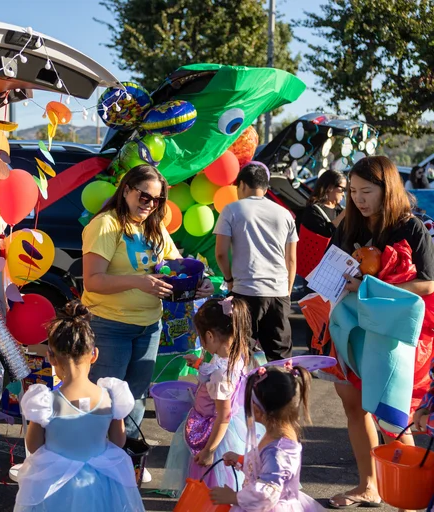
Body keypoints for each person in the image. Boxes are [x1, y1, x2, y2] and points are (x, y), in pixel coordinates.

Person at [82, 164, 214, 481]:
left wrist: (199, 282)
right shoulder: (106, 225)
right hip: (108, 325)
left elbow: (175, 267)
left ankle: (124, 463)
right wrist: (139, 283)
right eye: (144, 196)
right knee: (105, 400)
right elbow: (92, 281)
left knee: (136, 398)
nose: (149, 204)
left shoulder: (153, 228)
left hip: (148, 326)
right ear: (126, 190)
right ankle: (93, 467)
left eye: (156, 200)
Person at [329, 155, 434, 510]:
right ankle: (368, 486)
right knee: (352, 403)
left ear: (386, 189)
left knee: (391, 411)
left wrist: (371, 285)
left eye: (366, 191)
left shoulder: (411, 227)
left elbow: (429, 283)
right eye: (353, 191)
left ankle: (409, 496)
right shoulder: (349, 226)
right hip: (352, 326)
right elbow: (334, 269)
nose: (358, 199)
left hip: (392, 332)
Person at [14, 301, 145, 512]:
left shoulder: (45, 402)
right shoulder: (111, 396)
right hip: (100, 479)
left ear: (51, 357)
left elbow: (34, 446)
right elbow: (119, 441)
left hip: (56, 483)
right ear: (94, 354)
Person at [161, 297, 261, 495]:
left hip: (214, 433)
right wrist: (199, 365)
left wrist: (209, 451)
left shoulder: (220, 376)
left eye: (201, 337)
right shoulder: (236, 354)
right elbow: (218, 370)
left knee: (209, 482)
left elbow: (223, 414)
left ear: (209, 335)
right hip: (226, 427)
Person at [209, 364, 322, 512]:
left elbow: (267, 494)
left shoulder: (279, 450)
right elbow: (266, 468)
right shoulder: (277, 435)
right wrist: (242, 460)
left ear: (256, 410)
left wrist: (233, 497)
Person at [215, 163, 298, 361]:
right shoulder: (285, 213)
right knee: (281, 359)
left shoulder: (232, 210)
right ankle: (283, 391)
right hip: (278, 292)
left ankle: (244, 392)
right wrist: (287, 291)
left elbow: (220, 253)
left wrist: (229, 279)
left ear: (242, 185)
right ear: (266, 187)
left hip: (246, 291)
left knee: (241, 355)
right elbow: (292, 259)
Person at [301, 170, 347, 239]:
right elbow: (324, 236)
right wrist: (344, 214)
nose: (343, 194)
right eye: (342, 189)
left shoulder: (339, 210)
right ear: (330, 187)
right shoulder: (313, 211)